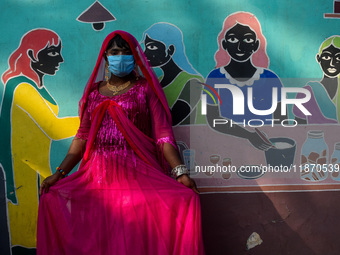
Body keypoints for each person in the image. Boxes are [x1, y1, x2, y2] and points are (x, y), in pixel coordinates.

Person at [37, 30, 204, 255]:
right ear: (105, 57)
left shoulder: (146, 89)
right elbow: (81, 138)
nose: (120, 57)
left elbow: (164, 137)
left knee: (135, 240)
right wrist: (59, 173)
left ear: (135, 58)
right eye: (115, 52)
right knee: (100, 240)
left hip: (138, 177)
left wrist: (180, 173)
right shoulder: (94, 95)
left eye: (126, 52)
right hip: (97, 180)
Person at [0, 28, 79, 249]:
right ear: (33, 55)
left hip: (39, 171)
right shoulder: (21, 86)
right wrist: (93, 116)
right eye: (53, 53)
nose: (61, 59)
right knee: (27, 241)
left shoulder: (39, 88)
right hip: (21, 175)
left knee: (43, 237)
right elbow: (53, 128)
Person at [204, 12, 283, 150]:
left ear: (256, 45)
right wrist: (248, 135)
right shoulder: (214, 78)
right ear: (224, 44)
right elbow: (213, 120)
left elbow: (281, 122)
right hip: (226, 148)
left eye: (247, 40)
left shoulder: (271, 79)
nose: (240, 47)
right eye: (233, 40)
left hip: (265, 147)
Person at [142, 22, 205, 125]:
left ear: (170, 50)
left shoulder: (194, 82)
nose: (145, 54)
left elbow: (174, 118)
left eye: (152, 47)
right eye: (145, 48)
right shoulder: (158, 81)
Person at [293, 35, 340, 124]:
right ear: (318, 59)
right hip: (315, 138)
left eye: (338, 58)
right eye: (327, 57)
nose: (332, 63)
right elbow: (298, 130)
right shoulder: (306, 93)